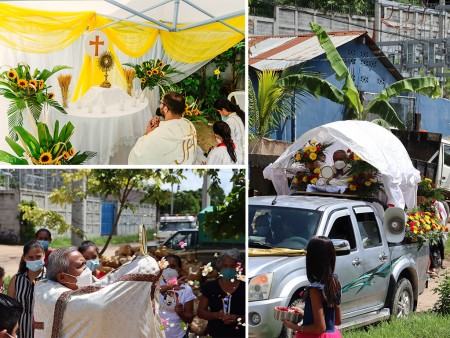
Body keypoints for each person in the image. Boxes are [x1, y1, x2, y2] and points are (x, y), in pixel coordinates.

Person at [34, 247, 164, 338]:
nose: (87, 269)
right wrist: (147, 265)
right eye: (80, 265)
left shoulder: (44, 290)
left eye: (86, 263)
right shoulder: (63, 299)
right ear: (62, 277)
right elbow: (104, 299)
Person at [282, 236, 342, 338]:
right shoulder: (334, 282)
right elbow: (337, 320)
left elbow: (319, 328)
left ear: (311, 259)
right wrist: (306, 314)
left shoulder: (315, 289)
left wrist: (295, 327)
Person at [128, 92, 198, 165]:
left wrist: (147, 134)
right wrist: (160, 126)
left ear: (166, 109)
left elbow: (137, 156)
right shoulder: (189, 124)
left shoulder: (156, 135)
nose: (160, 105)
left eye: (161, 102)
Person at [197, 249, 245, 338]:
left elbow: (250, 314)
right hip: (215, 333)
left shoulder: (245, 287)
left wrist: (237, 318)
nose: (229, 269)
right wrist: (217, 315)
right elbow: (200, 312)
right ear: (220, 266)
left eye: (233, 266)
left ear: (238, 267)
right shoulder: (210, 286)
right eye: (225, 266)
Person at [7, 241, 45, 338]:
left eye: (38, 257)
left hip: (43, 329)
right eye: (30, 257)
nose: (35, 260)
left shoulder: (50, 278)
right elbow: (9, 308)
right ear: (24, 258)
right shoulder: (16, 279)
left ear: (44, 256)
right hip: (20, 330)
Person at [159, 254, 196, 338]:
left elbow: (189, 319)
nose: (168, 269)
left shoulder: (186, 289)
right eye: (166, 266)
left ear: (179, 271)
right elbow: (150, 293)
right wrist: (170, 286)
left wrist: (181, 313)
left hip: (179, 335)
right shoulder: (156, 286)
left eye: (172, 266)